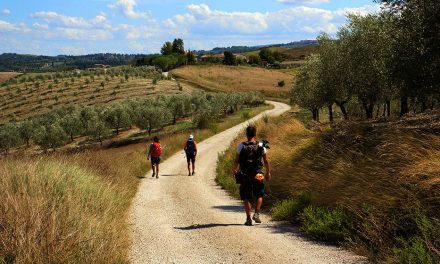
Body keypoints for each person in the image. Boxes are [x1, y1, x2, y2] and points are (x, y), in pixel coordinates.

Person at [232, 125, 271, 226]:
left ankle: (248, 219)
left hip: (245, 174)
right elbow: (266, 161)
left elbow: (236, 161)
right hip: (259, 174)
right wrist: (268, 172)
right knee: (259, 194)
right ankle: (257, 213)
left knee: (246, 197)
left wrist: (234, 170)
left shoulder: (241, 146)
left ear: (246, 134)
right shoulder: (261, 145)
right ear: (255, 133)